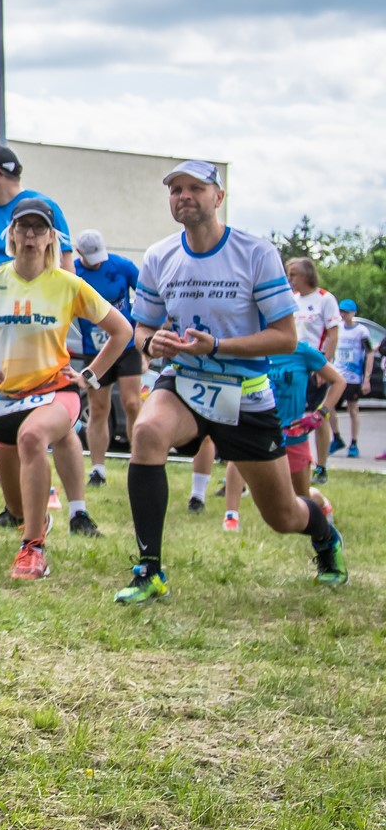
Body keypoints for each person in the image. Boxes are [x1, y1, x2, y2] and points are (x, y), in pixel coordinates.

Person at [114, 161, 345, 605]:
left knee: (282, 515)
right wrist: (151, 342)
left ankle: (324, 535)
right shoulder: (159, 255)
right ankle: (149, 570)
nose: (184, 196)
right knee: (147, 431)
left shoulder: (255, 253)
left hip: (245, 394)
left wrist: (217, 345)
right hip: (185, 381)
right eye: (175, 190)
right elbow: (141, 328)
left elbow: (285, 337)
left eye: (195, 188)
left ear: (218, 197)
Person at [0, 199, 128, 578]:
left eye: (39, 229)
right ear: (11, 235)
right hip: (6, 399)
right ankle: (35, 523)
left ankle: (33, 549)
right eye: (23, 227)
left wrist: (89, 376)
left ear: (51, 238)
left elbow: (121, 330)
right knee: (18, 508)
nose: (30, 236)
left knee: (33, 436)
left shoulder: (67, 284)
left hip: (57, 390)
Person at [223, 342, 344, 549]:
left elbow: (339, 381)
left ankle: (321, 502)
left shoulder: (302, 352)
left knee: (300, 500)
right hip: (259, 429)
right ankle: (231, 517)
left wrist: (320, 414)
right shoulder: (253, 348)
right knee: (238, 458)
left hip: (294, 435)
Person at [71, 229, 142, 488]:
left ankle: (139, 460)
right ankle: (98, 469)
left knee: (132, 403)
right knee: (98, 408)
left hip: (127, 345)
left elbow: (147, 296)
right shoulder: (73, 272)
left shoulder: (122, 266)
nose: (97, 262)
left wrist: (144, 340)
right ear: (79, 253)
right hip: (95, 350)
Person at [284, 257, 340, 482]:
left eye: (294, 274)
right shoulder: (292, 299)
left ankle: (321, 466)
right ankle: (290, 461)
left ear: (307, 275)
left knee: (318, 415)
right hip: (292, 367)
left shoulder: (325, 299)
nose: (290, 279)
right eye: (289, 274)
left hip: (315, 365)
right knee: (294, 415)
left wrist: (324, 365)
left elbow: (333, 334)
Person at [332, 298, 373, 459]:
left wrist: (367, 378)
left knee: (352, 409)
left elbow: (370, 353)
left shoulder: (362, 331)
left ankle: (354, 443)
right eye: (341, 311)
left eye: (346, 312)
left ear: (353, 313)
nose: (343, 315)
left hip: (353, 377)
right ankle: (336, 437)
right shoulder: (337, 328)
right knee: (327, 407)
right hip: (337, 376)